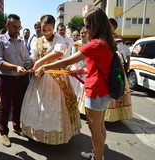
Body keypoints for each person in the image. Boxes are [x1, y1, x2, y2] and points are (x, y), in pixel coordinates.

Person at [35, 8, 115, 160]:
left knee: (94, 129)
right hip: (105, 91)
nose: (85, 29)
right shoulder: (106, 42)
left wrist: (44, 66)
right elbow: (99, 66)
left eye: (88, 26)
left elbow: (68, 60)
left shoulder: (95, 44)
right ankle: (98, 153)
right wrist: (81, 71)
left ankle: (98, 157)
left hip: (96, 91)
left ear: (96, 26)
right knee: (100, 127)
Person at [20, 14, 81, 145]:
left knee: (56, 105)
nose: (46, 32)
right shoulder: (38, 41)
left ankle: (58, 134)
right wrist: (35, 63)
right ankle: (39, 134)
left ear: (54, 28)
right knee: (39, 105)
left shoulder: (59, 38)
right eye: (44, 29)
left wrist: (40, 63)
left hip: (57, 76)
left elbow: (58, 53)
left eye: (49, 29)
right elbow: (33, 56)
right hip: (40, 77)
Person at [0, 14, 31, 147]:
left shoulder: (22, 42)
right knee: (5, 107)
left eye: (19, 27)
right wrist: (15, 67)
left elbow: (26, 60)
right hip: (6, 79)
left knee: (18, 105)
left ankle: (16, 126)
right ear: (7, 26)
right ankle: (3, 132)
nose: (17, 30)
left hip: (22, 79)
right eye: (14, 27)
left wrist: (29, 67)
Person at [102, 18, 133, 122]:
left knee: (115, 84)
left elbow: (118, 50)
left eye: (110, 25)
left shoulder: (117, 37)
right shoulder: (102, 36)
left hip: (114, 64)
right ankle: (101, 113)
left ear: (114, 27)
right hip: (104, 62)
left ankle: (114, 115)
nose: (108, 27)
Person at [70, 27, 89, 109]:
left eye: (85, 33)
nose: (83, 34)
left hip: (85, 69)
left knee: (82, 89)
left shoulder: (90, 44)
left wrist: (84, 68)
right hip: (76, 68)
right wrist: (77, 68)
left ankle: (81, 107)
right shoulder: (76, 44)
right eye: (81, 33)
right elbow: (73, 57)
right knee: (74, 87)